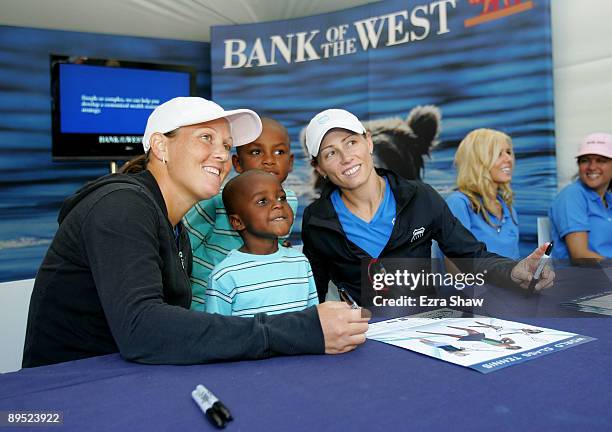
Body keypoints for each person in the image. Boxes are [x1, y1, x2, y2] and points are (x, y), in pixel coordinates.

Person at [22, 97, 369, 368]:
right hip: (70, 398)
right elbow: (143, 329)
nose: (220, 154)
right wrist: (303, 330)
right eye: (206, 138)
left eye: (226, 144)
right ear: (160, 147)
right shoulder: (121, 206)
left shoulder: (175, 228)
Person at [300, 108, 554, 306]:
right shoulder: (318, 221)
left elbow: (471, 256)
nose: (346, 157)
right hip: (363, 338)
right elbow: (314, 293)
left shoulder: (420, 197)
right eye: (330, 153)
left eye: (351, 142)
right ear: (319, 167)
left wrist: (513, 270)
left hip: (423, 330)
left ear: (368, 142)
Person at [183, 118, 296, 310]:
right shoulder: (216, 199)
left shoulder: (289, 202)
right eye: (256, 152)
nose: (269, 160)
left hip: (254, 302)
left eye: (279, 152)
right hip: (206, 305)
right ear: (237, 162)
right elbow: (182, 247)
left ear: (291, 162)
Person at [204, 170, 318, 316]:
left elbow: (313, 321)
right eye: (262, 201)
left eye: (282, 198)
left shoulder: (300, 262)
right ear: (237, 222)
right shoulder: (225, 276)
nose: (278, 204)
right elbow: (217, 333)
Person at [446, 128, 520, 260]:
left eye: (508, 152)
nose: (508, 158)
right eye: (498, 154)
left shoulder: (508, 209)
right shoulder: (458, 204)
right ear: (477, 161)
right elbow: (457, 269)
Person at [549, 132, 612, 261]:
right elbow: (580, 255)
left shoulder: (608, 199)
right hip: (584, 278)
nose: (592, 167)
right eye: (585, 160)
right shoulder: (572, 196)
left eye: (601, 160)